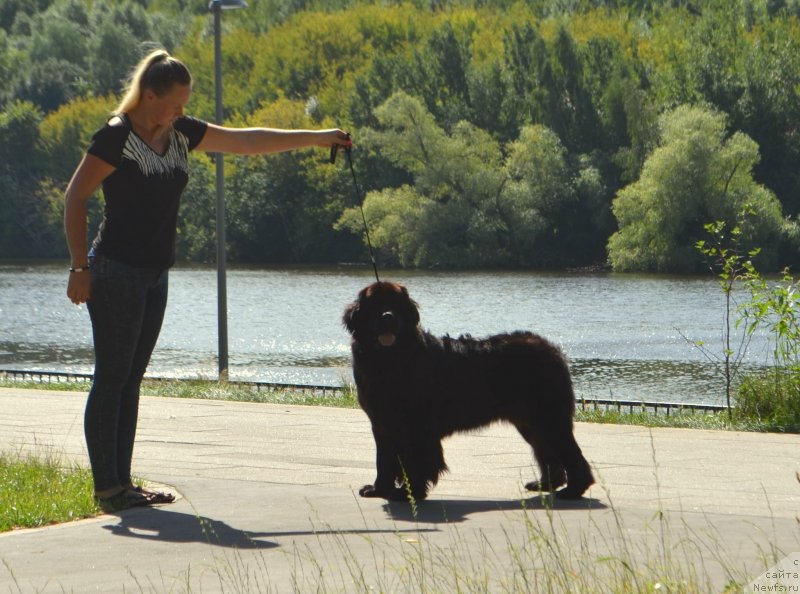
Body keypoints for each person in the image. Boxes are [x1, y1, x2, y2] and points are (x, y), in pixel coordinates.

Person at [64, 49, 352, 512]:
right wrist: (80, 267)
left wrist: (317, 138)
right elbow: (75, 197)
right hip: (114, 273)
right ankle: (108, 489)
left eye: (185, 103)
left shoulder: (181, 132)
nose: (181, 111)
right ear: (150, 96)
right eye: (175, 103)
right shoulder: (116, 136)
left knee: (131, 379)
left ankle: (123, 485)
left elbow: (247, 141)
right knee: (112, 377)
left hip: (155, 275)